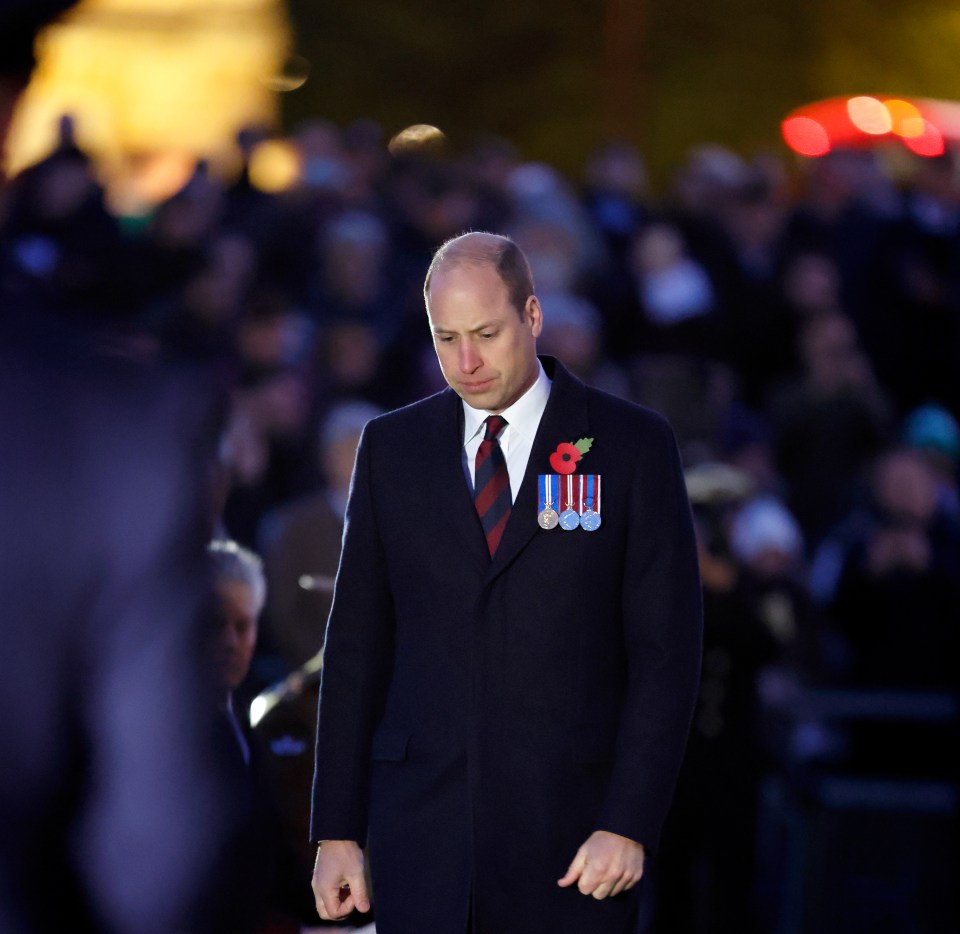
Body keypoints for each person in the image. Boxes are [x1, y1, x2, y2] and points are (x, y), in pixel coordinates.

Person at [309, 231, 703, 934]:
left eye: (486, 333)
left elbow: (666, 654)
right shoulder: (391, 449)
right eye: (446, 337)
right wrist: (335, 829)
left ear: (532, 315)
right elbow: (356, 647)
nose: (466, 361)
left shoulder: (632, 444)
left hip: (576, 842)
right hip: (419, 835)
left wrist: (629, 821)